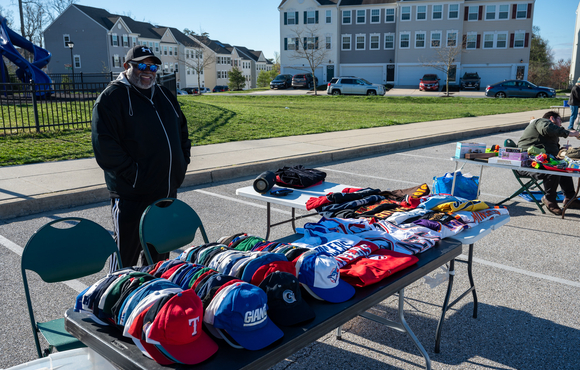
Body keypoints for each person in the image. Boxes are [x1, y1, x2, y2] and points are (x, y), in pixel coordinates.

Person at [92, 45, 191, 271]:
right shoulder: (112, 98)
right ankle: (113, 299)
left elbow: (182, 132)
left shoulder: (164, 95)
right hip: (131, 196)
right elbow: (105, 148)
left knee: (159, 257)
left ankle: (153, 300)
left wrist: (181, 164)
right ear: (127, 66)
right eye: (142, 65)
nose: (149, 71)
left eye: (153, 66)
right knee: (125, 257)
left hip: (165, 194)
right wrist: (136, 176)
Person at [518, 111, 580, 215]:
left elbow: (551, 151)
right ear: (552, 118)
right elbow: (547, 128)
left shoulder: (551, 133)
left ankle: (570, 199)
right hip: (527, 163)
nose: (561, 125)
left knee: (564, 167)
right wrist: (570, 133)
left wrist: (562, 150)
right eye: (559, 120)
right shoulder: (541, 122)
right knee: (555, 169)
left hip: (541, 160)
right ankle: (549, 198)